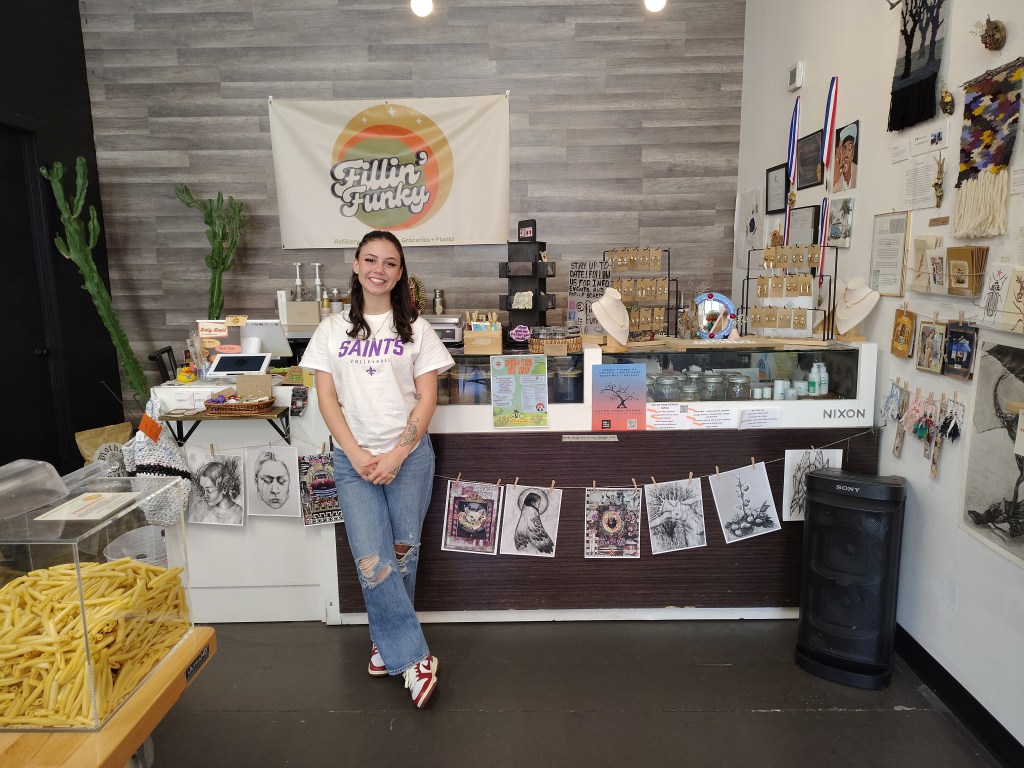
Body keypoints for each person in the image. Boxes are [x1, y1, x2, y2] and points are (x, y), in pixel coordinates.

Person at [300, 230, 453, 709]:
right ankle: (415, 656)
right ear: (356, 263)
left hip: (408, 459)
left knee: (402, 555)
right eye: (371, 259)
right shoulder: (330, 330)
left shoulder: (418, 330)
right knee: (373, 560)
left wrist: (395, 455)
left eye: (390, 262)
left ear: (400, 271)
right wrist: (357, 454)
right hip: (351, 460)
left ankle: (386, 645)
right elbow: (326, 397)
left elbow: (428, 397)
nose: (379, 269)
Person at [190, 460, 243, 525]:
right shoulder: (198, 508)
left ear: (224, 488)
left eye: (209, 490)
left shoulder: (239, 514)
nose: (205, 495)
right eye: (203, 490)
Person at [832, 124, 858, 192]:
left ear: (853, 153)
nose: (846, 155)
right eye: (843, 150)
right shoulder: (836, 181)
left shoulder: (857, 173)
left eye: (850, 148)